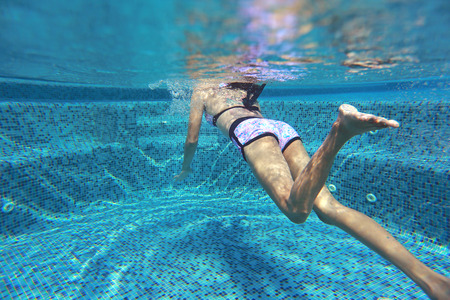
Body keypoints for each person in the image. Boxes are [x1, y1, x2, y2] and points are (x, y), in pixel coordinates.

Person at [174, 81, 450, 300]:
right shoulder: (242, 82)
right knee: (330, 209)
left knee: (295, 210)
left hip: (248, 130)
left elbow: (192, 139)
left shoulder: (202, 87)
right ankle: (433, 281)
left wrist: (186, 169)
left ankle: (340, 132)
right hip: (280, 128)